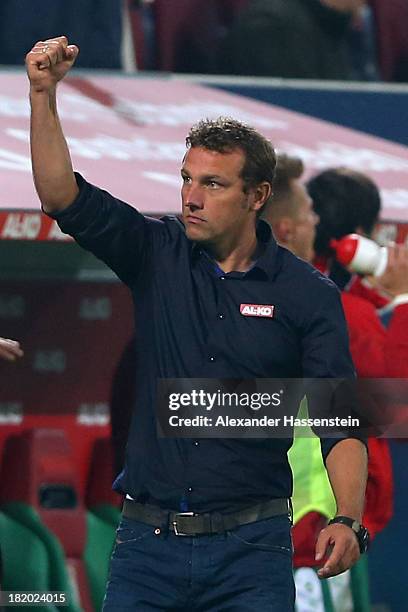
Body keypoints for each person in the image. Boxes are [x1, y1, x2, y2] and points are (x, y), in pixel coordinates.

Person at [26, 36, 368, 611]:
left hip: (252, 553)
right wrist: (43, 94)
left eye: (211, 184)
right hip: (146, 547)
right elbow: (61, 195)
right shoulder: (153, 251)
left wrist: (348, 518)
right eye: (187, 179)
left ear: (257, 195)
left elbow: (340, 421)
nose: (191, 197)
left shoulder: (307, 295)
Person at [263, 154, 408, 610]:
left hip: (262, 533)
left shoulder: (241, 296)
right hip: (313, 537)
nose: (314, 220)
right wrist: (403, 299)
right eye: (308, 212)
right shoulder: (343, 314)